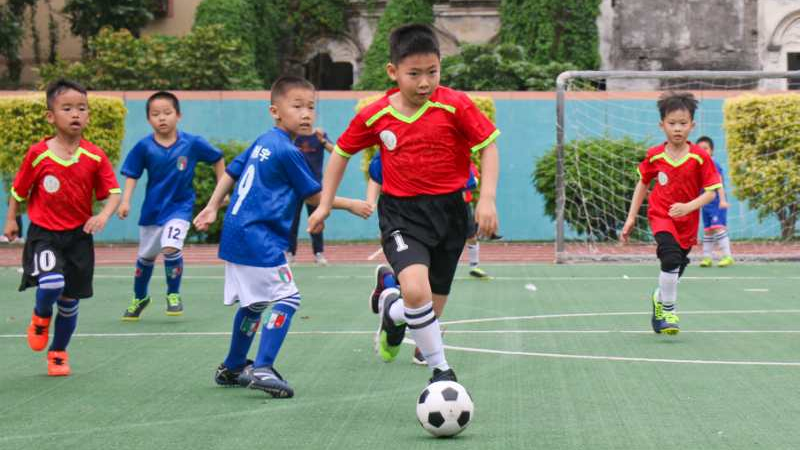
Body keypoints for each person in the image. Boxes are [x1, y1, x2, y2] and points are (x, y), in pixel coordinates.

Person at [308, 24, 500, 385]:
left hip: (451, 214)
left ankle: (390, 311)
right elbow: (342, 154)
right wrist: (325, 204)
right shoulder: (376, 114)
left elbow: (488, 145)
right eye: (414, 74)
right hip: (402, 215)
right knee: (416, 290)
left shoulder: (455, 105)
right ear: (393, 72)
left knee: (426, 306)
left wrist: (486, 199)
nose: (425, 82)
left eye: (433, 72)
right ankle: (441, 373)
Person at [193, 76, 372, 398]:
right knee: (288, 298)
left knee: (255, 303)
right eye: (297, 106)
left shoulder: (263, 141)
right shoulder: (287, 151)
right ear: (275, 111)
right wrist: (351, 205)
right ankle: (261, 367)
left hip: (238, 231)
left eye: (311, 107)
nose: (306, 114)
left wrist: (212, 206)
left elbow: (233, 171)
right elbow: (315, 196)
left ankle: (233, 365)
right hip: (256, 235)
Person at [3, 79, 121, 376]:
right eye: (66, 108)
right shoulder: (38, 153)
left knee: (69, 301)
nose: (75, 114)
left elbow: (114, 193)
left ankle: (58, 352)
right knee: (51, 283)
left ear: (88, 115)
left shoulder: (94, 156)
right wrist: (11, 219)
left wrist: (104, 215)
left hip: (79, 238)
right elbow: (19, 190)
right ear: (50, 116)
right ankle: (40, 316)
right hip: (45, 234)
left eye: (82, 108)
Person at [117, 91, 225, 320]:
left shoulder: (192, 143)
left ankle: (173, 294)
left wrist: (220, 190)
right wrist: (125, 201)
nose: (162, 118)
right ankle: (140, 297)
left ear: (178, 115)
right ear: (148, 119)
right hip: (152, 211)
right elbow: (132, 174)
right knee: (145, 259)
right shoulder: (144, 147)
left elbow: (217, 158)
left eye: (167, 112)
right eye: (156, 114)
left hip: (180, 208)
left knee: (171, 247)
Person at [621, 91, 721, 335]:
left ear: (692, 125)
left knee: (676, 267)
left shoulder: (700, 157)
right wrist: (632, 217)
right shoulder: (655, 155)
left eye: (683, 124)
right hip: (661, 215)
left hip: (687, 221)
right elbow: (643, 184)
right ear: (662, 125)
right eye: (672, 123)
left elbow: (711, 193)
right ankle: (668, 311)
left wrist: (688, 207)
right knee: (669, 257)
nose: (678, 129)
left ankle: (659, 297)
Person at [287, 128, 334, 265]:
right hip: (294, 186)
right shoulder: (293, 136)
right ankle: (290, 253)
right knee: (292, 221)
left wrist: (323, 141)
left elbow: (335, 151)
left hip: (314, 186)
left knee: (317, 220)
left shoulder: (320, 134)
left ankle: (318, 253)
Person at [696, 136, 734, 268]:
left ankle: (727, 256)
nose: (703, 151)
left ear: (711, 151)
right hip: (705, 205)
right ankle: (707, 257)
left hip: (717, 203)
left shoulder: (713, 164)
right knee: (707, 230)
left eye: (705, 148)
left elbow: (719, 184)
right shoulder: (697, 167)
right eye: (700, 149)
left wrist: (722, 200)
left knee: (718, 228)